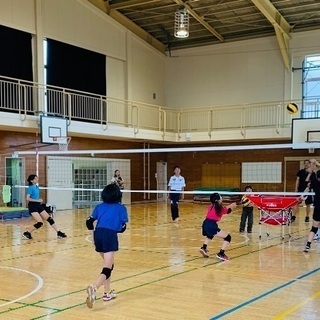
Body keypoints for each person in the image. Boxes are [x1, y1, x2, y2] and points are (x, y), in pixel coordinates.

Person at [85, 183, 128, 309]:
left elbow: (89, 222)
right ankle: (94, 288)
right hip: (109, 236)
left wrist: (93, 236)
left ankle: (107, 293)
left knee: (109, 265)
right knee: (107, 268)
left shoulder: (99, 207)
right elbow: (122, 228)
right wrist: (119, 227)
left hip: (98, 234)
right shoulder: (121, 208)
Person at [22, 174, 67, 240]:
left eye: (37, 178)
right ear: (32, 180)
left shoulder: (37, 187)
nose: (37, 179)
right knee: (40, 223)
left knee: (49, 219)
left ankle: (58, 232)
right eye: (35, 179)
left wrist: (39, 201)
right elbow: (27, 198)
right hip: (32, 206)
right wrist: (37, 200)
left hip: (38, 205)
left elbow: (35, 196)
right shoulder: (30, 188)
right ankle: (27, 232)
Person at [199, 193, 237, 261]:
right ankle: (221, 253)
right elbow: (227, 211)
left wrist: (229, 207)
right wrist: (232, 206)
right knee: (228, 237)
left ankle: (204, 247)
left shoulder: (211, 206)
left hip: (205, 223)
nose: (221, 198)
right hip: (211, 225)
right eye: (220, 197)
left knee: (210, 235)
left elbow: (224, 209)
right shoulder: (219, 208)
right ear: (217, 200)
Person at [303, 159, 320, 252]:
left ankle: (308, 245)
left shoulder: (315, 182)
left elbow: (306, 182)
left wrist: (311, 171)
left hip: (317, 209)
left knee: (314, 228)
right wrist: (315, 162)